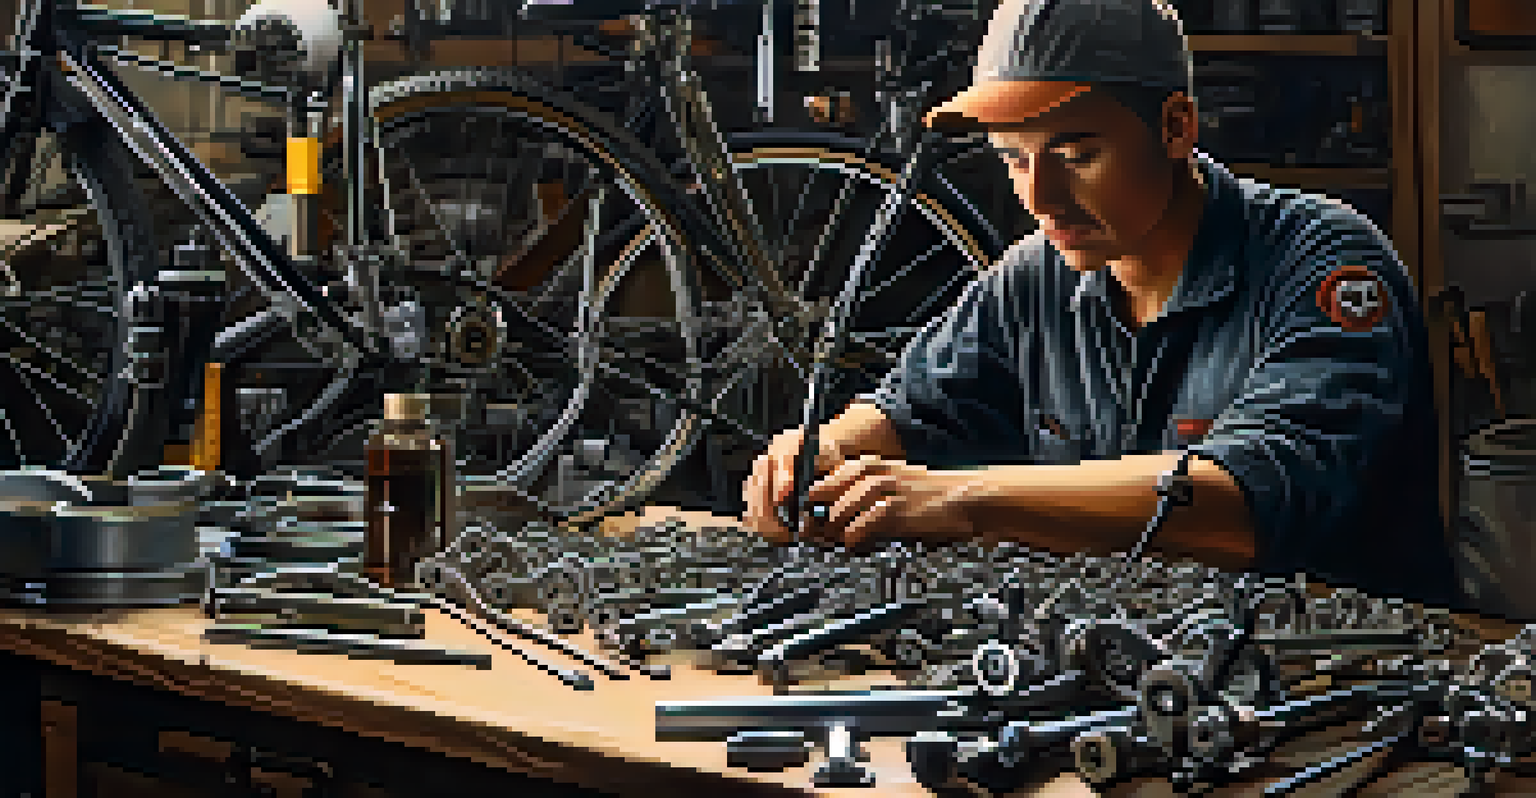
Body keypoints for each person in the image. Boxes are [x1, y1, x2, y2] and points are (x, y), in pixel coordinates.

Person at [741, 0, 1458, 608]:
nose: (1039, 198)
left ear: (1177, 126)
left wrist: (961, 501)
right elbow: (913, 409)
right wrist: (823, 449)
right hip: (1139, 667)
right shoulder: (1034, 277)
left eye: (1076, 154)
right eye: (1013, 159)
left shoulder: (1326, 264)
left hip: (1357, 681)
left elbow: (1246, 507)